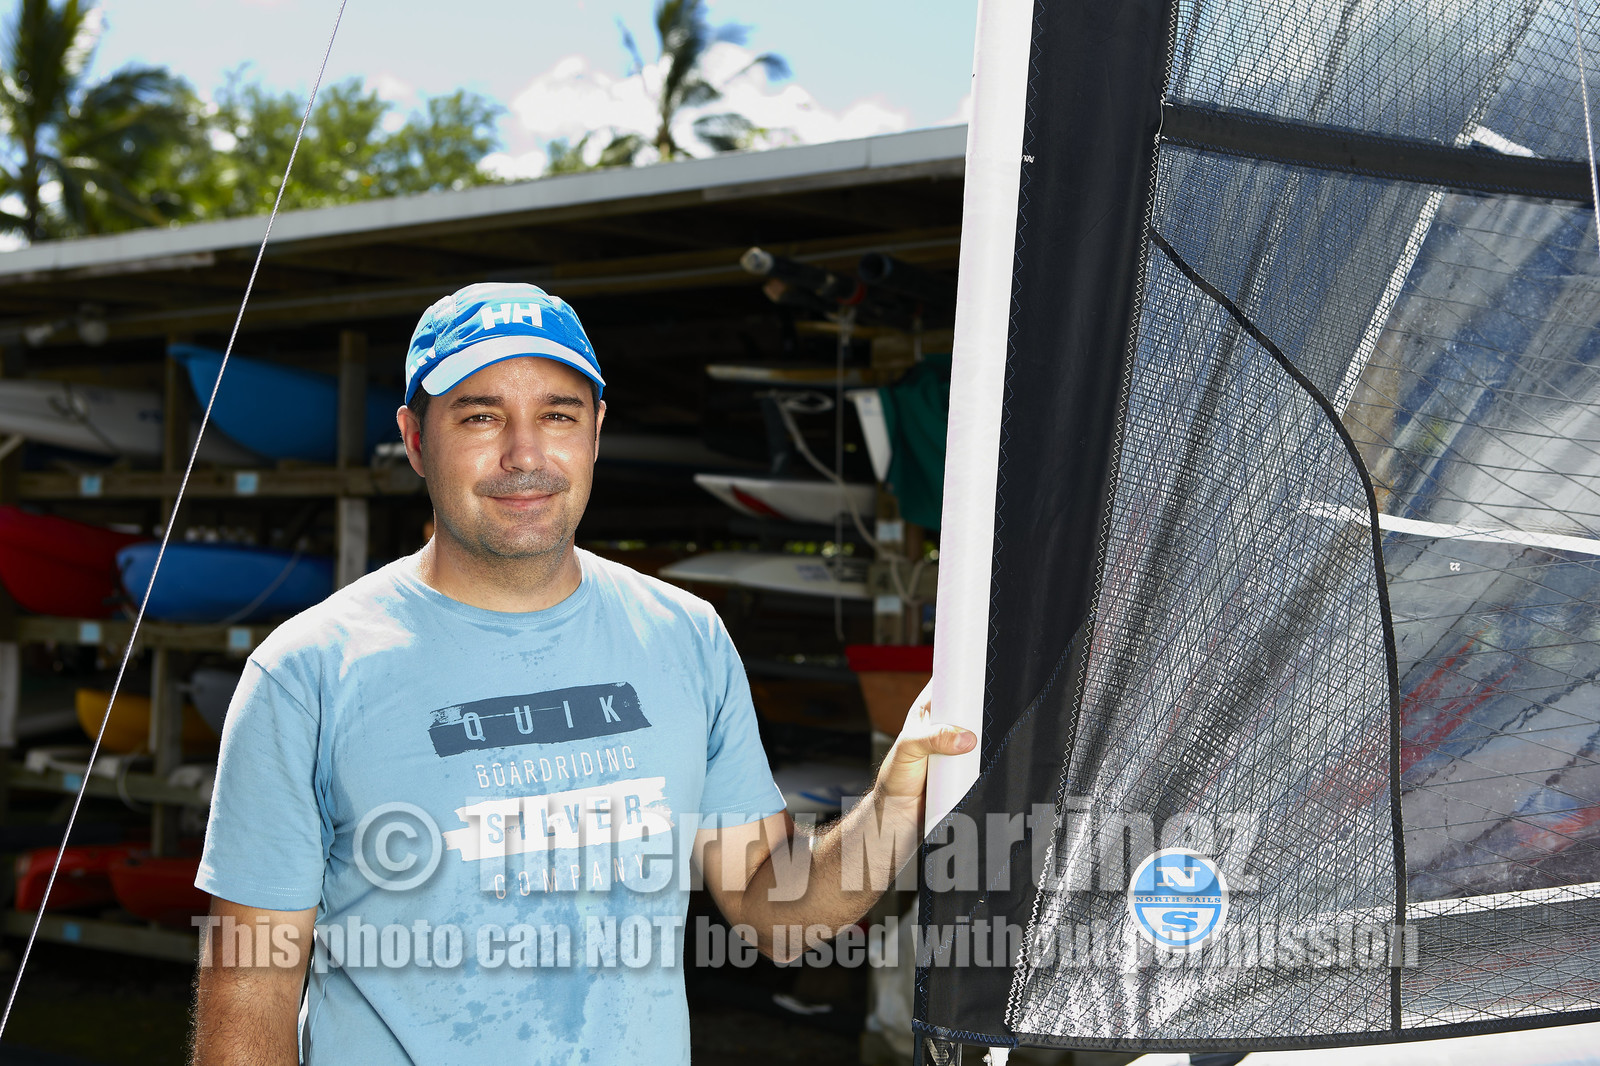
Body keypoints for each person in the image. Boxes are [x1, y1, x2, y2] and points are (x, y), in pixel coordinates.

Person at [188, 281, 973, 1065]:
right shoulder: (306, 674)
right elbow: (251, 991)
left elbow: (776, 912)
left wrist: (896, 804)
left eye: (558, 415)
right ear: (416, 439)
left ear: (595, 432)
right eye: (480, 415)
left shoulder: (685, 637)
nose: (523, 456)